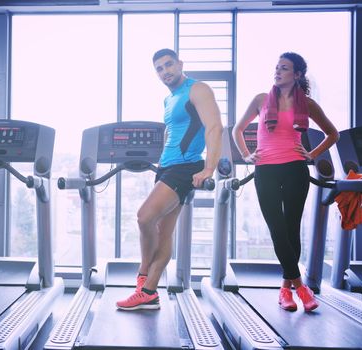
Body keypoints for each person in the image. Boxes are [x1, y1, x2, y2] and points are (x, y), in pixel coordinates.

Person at [116, 48, 223, 311]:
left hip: (186, 168)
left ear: (179, 64)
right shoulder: (170, 99)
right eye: (160, 69)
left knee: (144, 217)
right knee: (163, 232)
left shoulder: (197, 89)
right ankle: (149, 292)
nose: (165, 72)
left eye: (169, 65)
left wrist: (209, 168)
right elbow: (173, 132)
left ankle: (142, 275)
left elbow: (214, 127)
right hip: (167, 167)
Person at [232, 52, 339, 312]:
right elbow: (237, 130)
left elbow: (333, 133)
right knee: (277, 229)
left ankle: (285, 290)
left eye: (284, 68)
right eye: (276, 67)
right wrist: (247, 155)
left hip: (295, 169)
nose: (277, 71)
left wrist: (311, 154)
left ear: (297, 75)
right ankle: (301, 288)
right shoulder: (260, 100)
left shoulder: (308, 104)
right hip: (266, 169)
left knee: (291, 229)